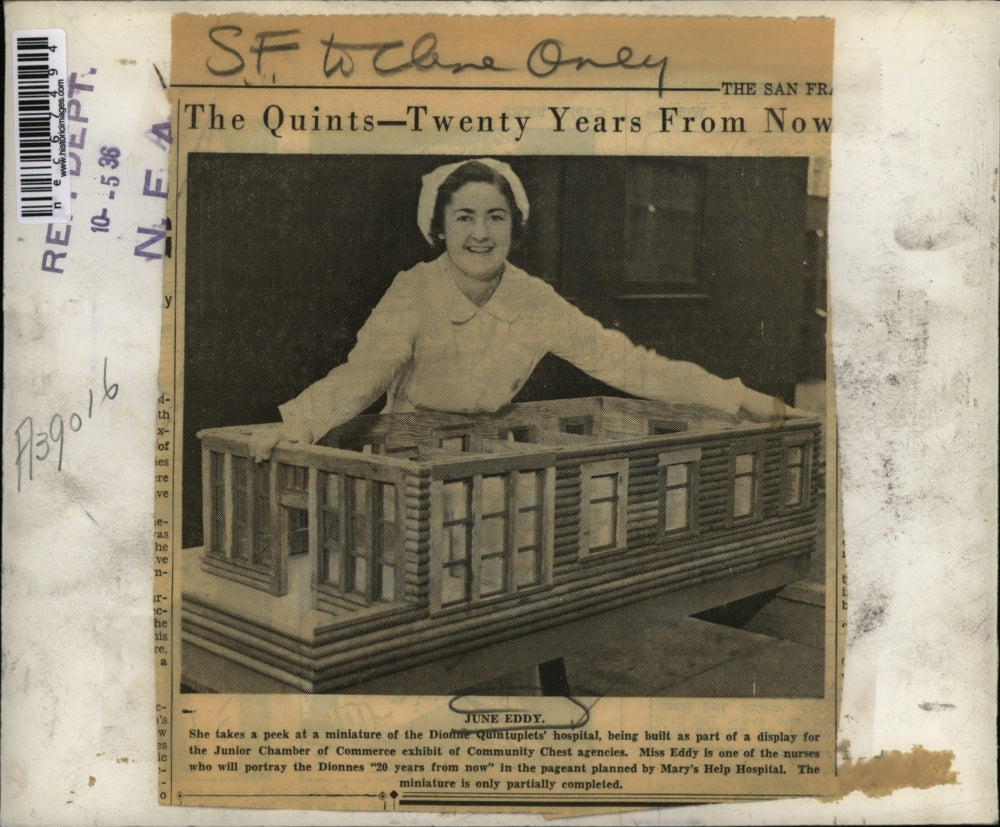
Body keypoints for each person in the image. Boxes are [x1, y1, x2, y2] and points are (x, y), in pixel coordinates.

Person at [250, 158, 800, 462]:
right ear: (439, 229)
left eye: (496, 217)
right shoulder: (414, 290)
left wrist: (740, 399)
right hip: (407, 458)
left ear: (515, 228)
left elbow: (632, 364)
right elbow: (365, 372)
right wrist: (298, 423)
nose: (481, 234)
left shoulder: (533, 299)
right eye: (464, 218)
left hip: (491, 460)